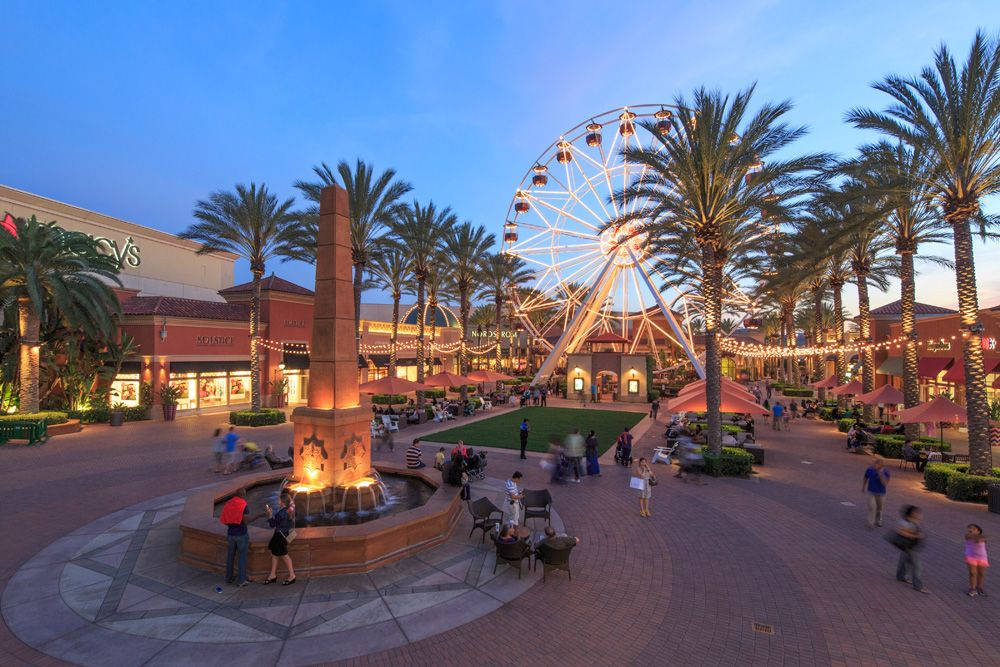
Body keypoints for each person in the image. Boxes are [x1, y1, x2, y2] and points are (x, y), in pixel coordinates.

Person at [219, 488, 261, 587]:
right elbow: (246, 520)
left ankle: (228, 578)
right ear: (243, 495)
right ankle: (241, 581)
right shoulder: (243, 504)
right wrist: (259, 515)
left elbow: (225, 517)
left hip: (230, 534)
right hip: (241, 535)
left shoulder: (229, 503)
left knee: (230, 556)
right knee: (242, 557)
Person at [263, 491, 296, 586]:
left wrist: (270, 514)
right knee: (275, 554)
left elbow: (272, 524)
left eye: (279, 500)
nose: (278, 501)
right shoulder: (289, 510)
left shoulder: (281, 513)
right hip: (283, 534)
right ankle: (272, 575)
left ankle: (292, 575)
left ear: (282, 502)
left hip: (279, 536)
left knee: (285, 555)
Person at [894, 505, 926, 593]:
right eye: (916, 513)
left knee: (904, 560)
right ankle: (918, 586)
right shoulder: (905, 522)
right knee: (917, 566)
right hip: (909, 546)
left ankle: (900, 576)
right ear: (911, 513)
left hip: (909, 546)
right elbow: (902, 532)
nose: (919, 515)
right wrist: (917, 535)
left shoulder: (913, 521)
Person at [862, 458, 890, 528]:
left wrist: (880, 473)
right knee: (872, 507)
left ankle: (879, 520)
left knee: (879, 508)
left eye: (878, 464)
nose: (876, 465)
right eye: (875, 463)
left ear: (882, 465)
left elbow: (885, 483)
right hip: (870, 491)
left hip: (881, 493)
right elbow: (865, 477)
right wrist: (863, 486)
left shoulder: (886, 472)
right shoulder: (870, 469)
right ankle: (871, 522)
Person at [965, 523, 989, 597]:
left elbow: (981, 539)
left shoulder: (982, 538)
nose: (971, 530)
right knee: (973, 573)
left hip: (982, 558)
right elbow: (975, 539)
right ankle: (972, 589)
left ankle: (979, 588)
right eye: (970, 528)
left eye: (973, 529)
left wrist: (982, 538)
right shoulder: (968, 536)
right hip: (971, 557)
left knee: (981, 574)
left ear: (978, 531)